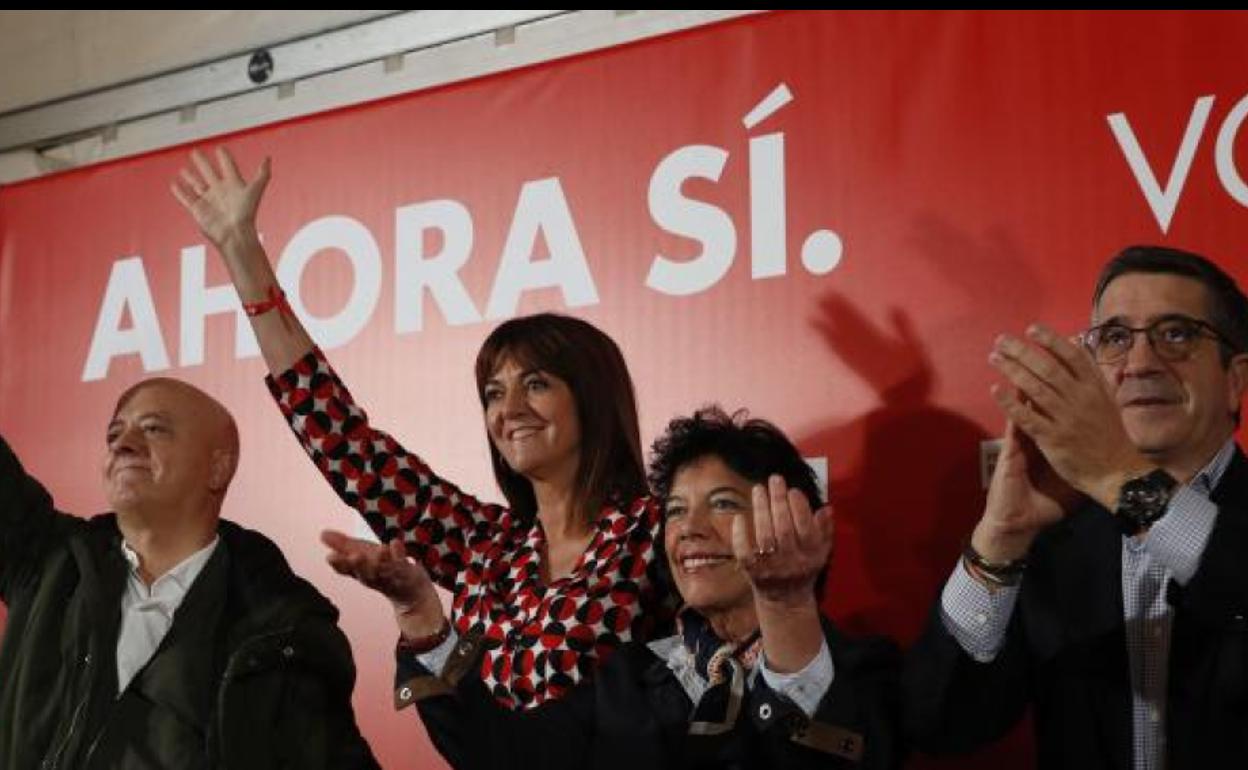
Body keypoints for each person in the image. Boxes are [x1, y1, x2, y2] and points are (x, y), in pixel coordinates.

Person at [172, 147, 667, 710]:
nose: (510, 410)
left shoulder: (659, 534)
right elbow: (343, 441)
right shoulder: (490, 550)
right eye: (493, 393)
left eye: (535, 384)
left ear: (594, 398)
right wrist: (241, 252)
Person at [328, 406, 902, 769]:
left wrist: (783, 604)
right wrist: (422, 615)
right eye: (675, 510)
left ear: (793, 519)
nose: (689, 530)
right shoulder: (628, 681)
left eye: (722, 504)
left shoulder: (868, 671)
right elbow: (500, 754)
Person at [906, 245, 1248, 768]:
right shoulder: (1054, 540)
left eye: (1175, 334)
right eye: (1114, 338)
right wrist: (999, 541)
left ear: (1235, 380)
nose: (1139, 363)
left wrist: (1119, 479)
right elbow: (939, 723)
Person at [0, 377, 378, 769]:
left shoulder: (283, 636)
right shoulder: (49, 562)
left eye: (153, 429)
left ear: (217, 468)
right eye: (115, 433)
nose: (122, 444)